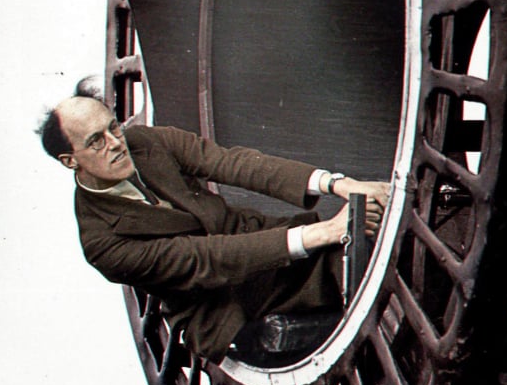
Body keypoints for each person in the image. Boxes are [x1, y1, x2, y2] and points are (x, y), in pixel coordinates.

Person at [37, 78, 388, 362]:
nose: (116, 143)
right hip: (227, 304)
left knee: (378, 251)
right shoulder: (102, 244)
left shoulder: (143, 141)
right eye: (97, 142)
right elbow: (205, 257)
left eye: (113, 126)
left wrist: (339, 184)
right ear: (70, 160)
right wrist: (323, 232)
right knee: (364, 271)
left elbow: (230, 163)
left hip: (267, 253)